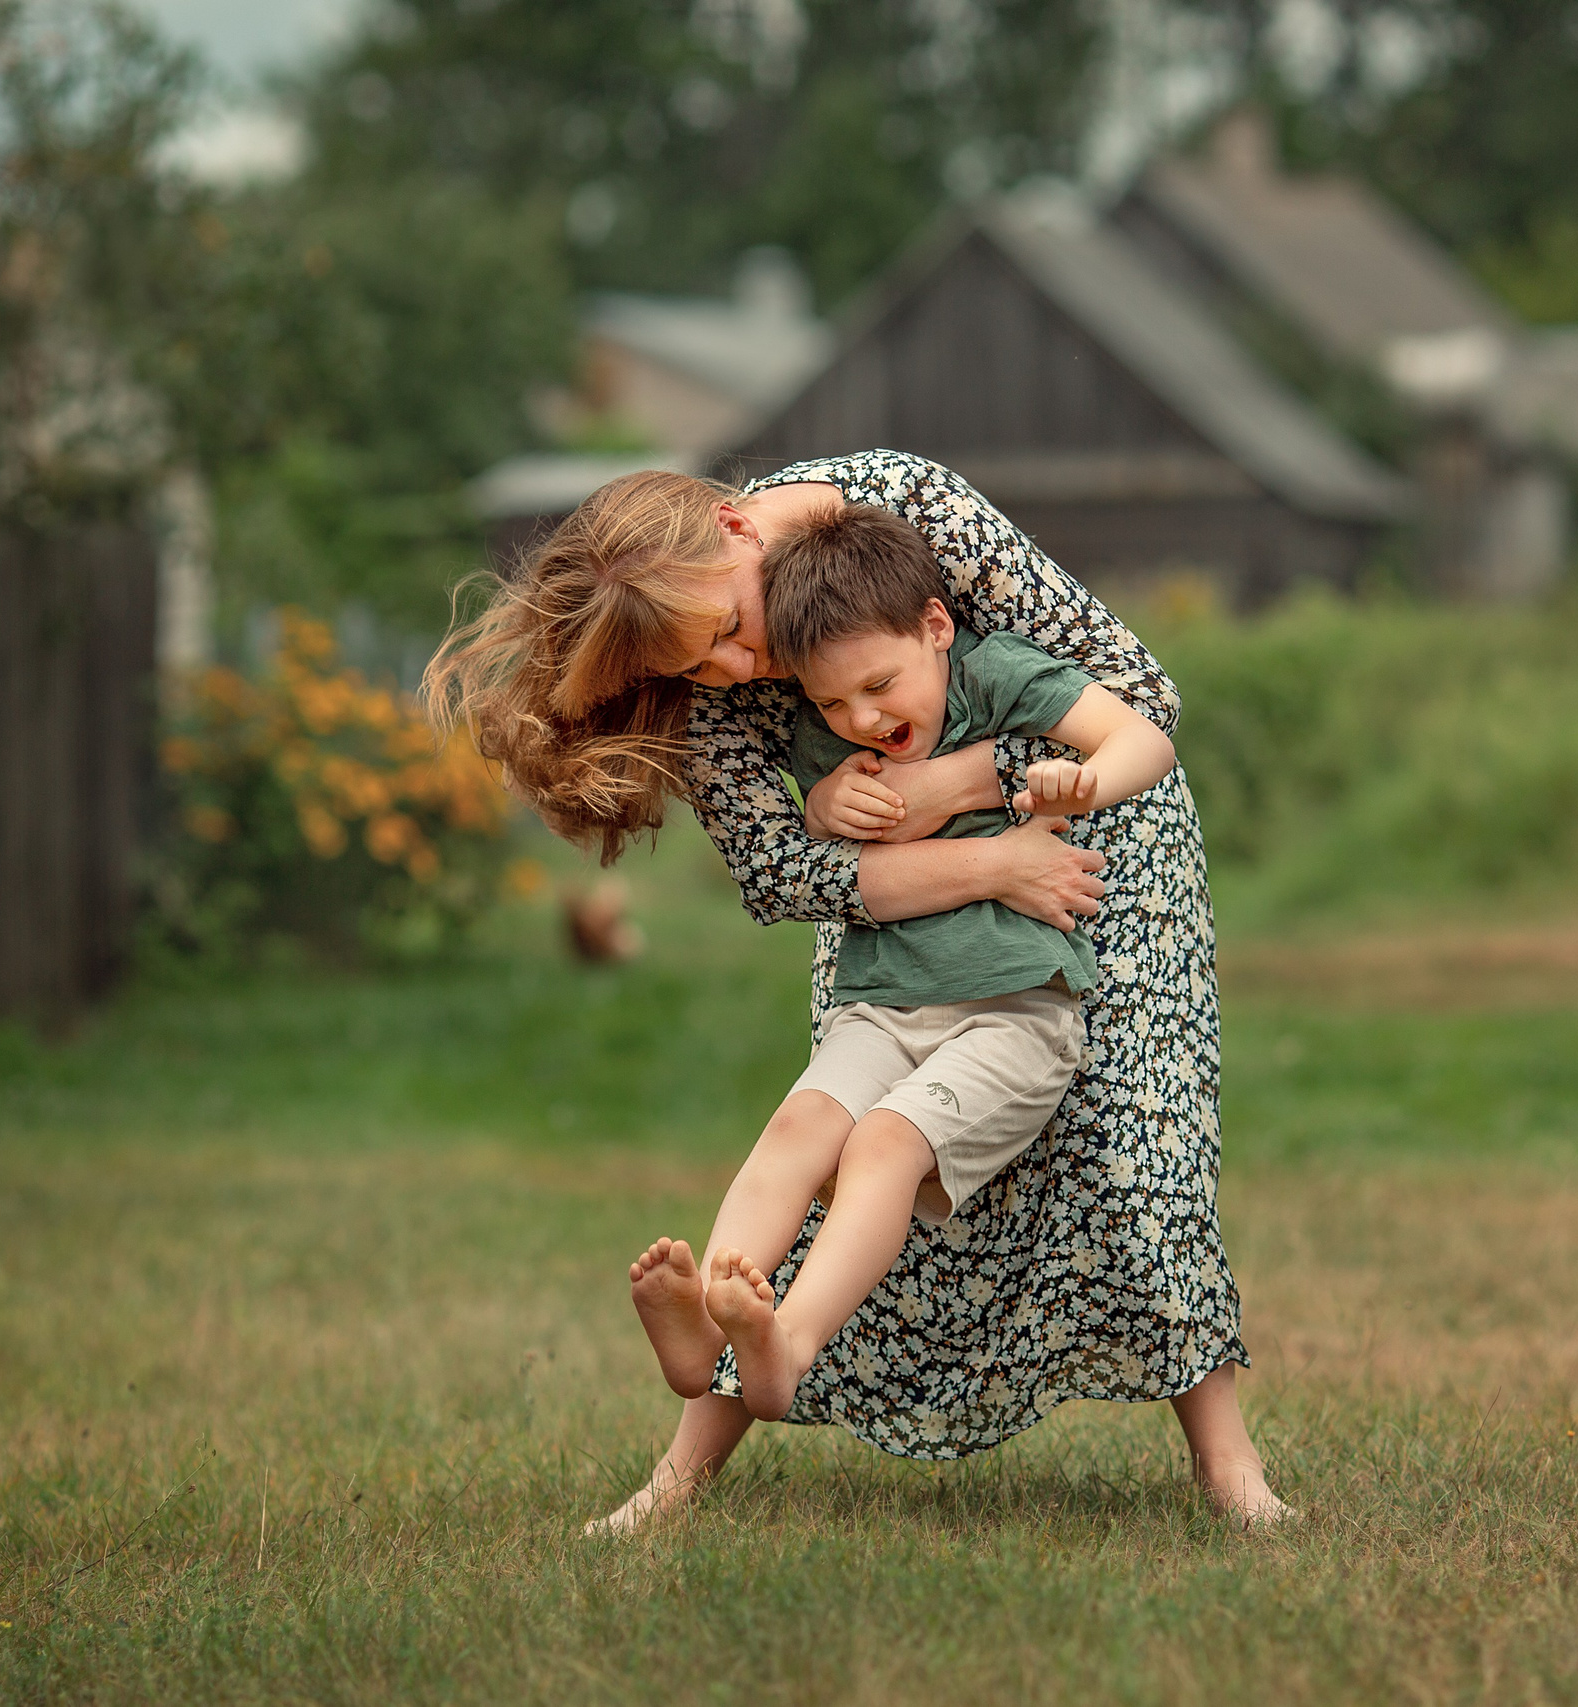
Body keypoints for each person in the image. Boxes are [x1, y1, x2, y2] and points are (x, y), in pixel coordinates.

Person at [426, 450, 1291, 1529]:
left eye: (729, 629)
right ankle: (690, 1448)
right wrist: (940, 847)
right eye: (699, 665)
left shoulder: (909, 508)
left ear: (738, 529)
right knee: (831, 1152)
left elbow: (1138, 696)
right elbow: (783, 873)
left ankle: (1226, 1464)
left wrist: (948, 787)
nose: (737, 669)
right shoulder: (705, 679)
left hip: (1090, 849)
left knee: (1134, 1148)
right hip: (902, 923)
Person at [630, 503, 1177, 1422]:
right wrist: (821, 807)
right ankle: (710, 1323)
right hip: (880, 1008)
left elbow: (1145, 735)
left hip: (1011, 1013)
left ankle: (789, 1343)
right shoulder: (831, 726)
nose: (863, 717)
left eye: (879, 686)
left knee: (882, 1144)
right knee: (799, 1126)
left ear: (936, 626)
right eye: (831, 703)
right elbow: (800, 847)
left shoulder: (995, 676)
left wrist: (1082, 780)